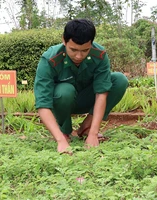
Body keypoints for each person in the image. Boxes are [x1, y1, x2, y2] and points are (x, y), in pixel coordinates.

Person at [34, 19, 128, 153]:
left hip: (86, 99)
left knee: (119, 80)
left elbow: (102, 93)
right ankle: (64, 131)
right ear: (64, 41)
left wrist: (93, 134)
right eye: (73, 50)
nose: (78, 56)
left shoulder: (99, 55)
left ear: (91, 43)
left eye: (85, 50)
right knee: (65, 90)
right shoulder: (50, 59)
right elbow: (43, 104)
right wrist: (60, 141)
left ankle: (86, 127)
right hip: (62, 101)